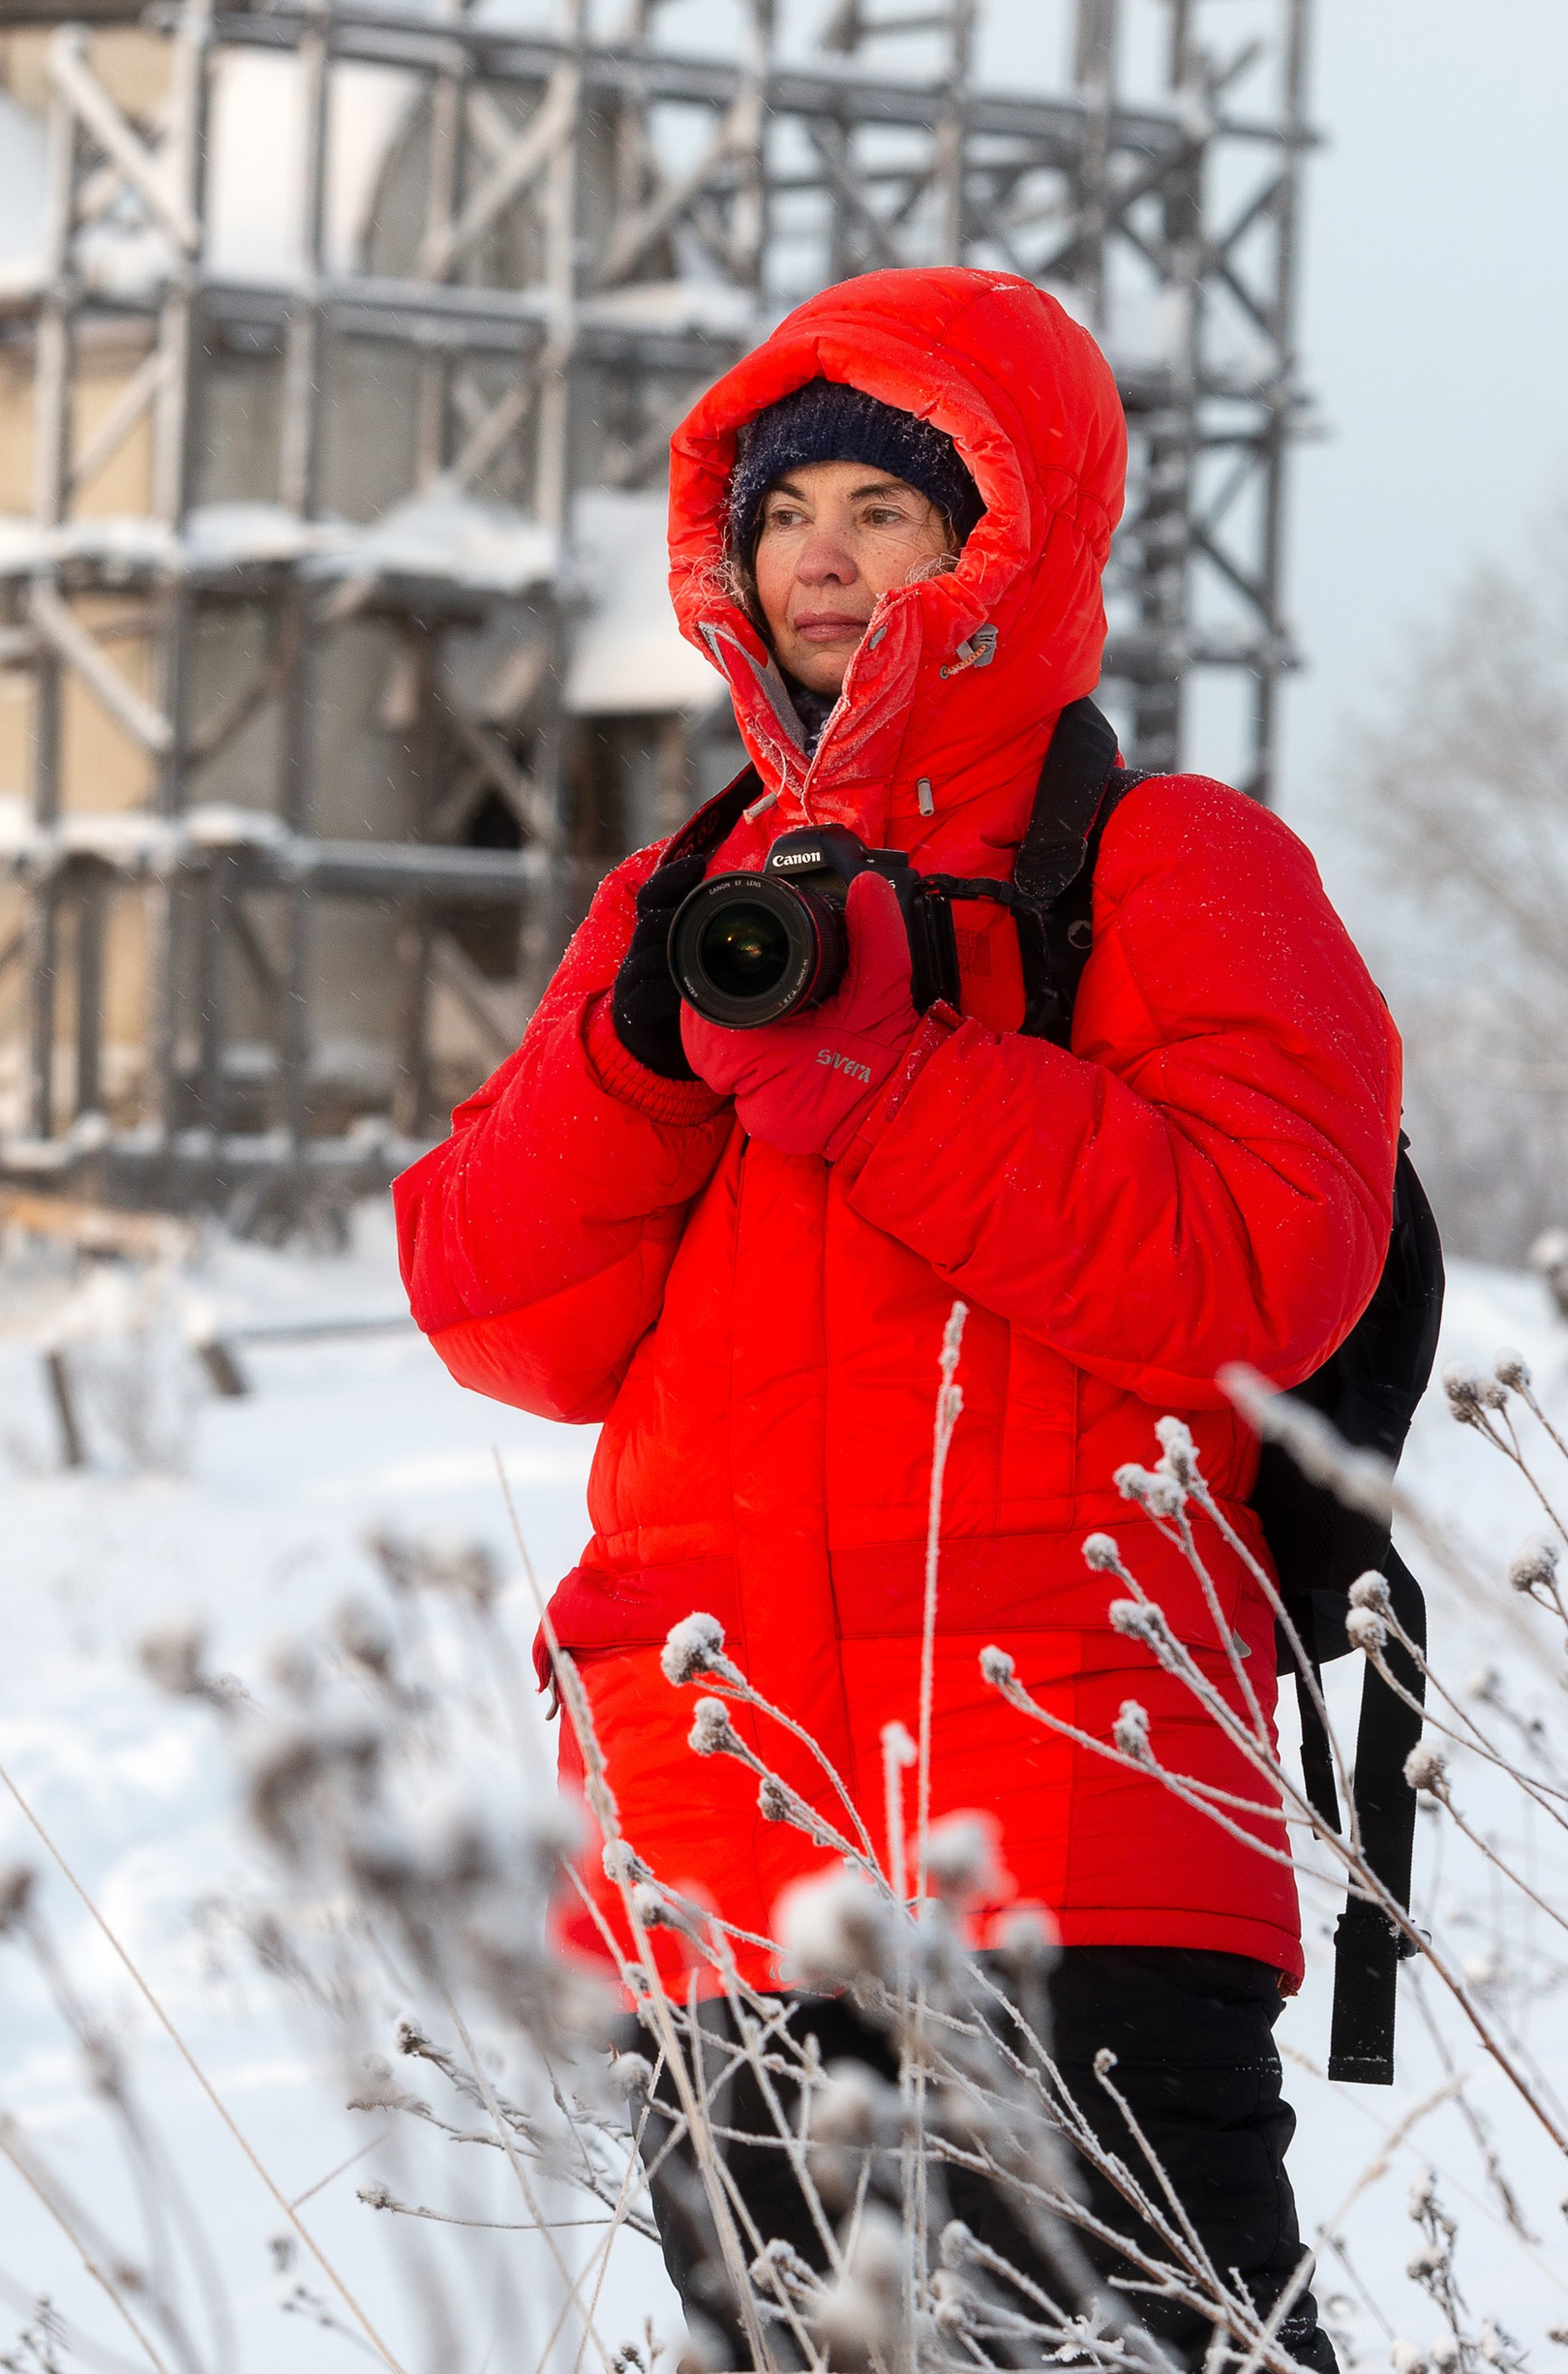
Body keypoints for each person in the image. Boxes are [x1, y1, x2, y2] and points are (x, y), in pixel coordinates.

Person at [394, 267, 1397, 2368]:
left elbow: (1251, 1273)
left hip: (1074, 1801)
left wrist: (888, 1065)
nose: (823, 556)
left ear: (1003, 541)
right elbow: (494, 1308)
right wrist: (652, 1050)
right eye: (782, 514)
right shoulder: (682, 898)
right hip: (717, 1821)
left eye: (885, 503)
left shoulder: (1163, 866)